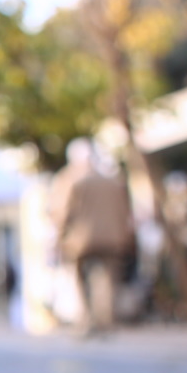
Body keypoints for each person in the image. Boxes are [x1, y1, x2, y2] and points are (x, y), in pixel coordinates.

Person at [50, 138, 133, 336]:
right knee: (107, 280)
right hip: (111, 238)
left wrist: (60, 236)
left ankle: (86, 320)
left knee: (80, 279)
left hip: (82, 239)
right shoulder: (113, 182)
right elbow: (124, 212)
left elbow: (63, 211)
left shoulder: (70, 180)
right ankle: (105, 321)